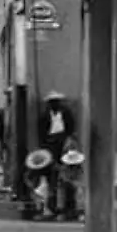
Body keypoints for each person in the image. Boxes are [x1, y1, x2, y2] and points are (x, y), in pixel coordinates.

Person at [38, 90, 78, 220]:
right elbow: (42, 133)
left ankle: (67, 207)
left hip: (63, 145)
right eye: (52, 102)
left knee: (66, 178)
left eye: (56, 102)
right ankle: (52, 207)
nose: (54, 105)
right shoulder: (44, 116)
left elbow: (71, 129)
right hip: (50, 146)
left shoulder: (66, 114)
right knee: (51, 179)